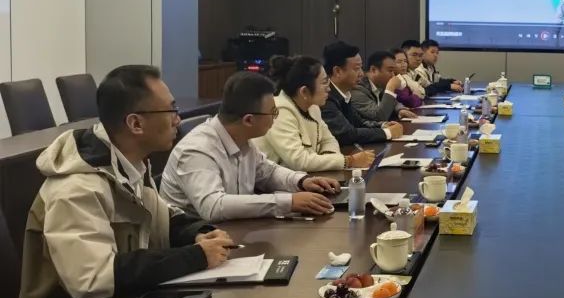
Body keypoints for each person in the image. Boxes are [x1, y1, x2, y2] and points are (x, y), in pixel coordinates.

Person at [10, 65, 233, 298]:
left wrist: (198, 233)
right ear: (135, 124)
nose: (178, 119)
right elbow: (93, 278)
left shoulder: (129, 165)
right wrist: (195, 257)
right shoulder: (76, 188)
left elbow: (161, 216)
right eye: (171, 110)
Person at [161, 71, 342, 221]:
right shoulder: (197, 149)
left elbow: (268, 172)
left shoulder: (242, 139)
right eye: (273, 112)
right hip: (196, 241)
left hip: (234, 231)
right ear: (249, 120)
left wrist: (302, 181)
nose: (275, 118)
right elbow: (215, 206)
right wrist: (289, 202)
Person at [252, 55, 375, 171]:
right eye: (324, 82)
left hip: (307, 177)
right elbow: (299, 160)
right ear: (304, 92)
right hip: (274, 183)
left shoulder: (313, 107)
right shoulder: (279, 111)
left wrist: (328, 160)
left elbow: (329, 140)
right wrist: (348, 161)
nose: (329, 88)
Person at [322, 41, 402, 148]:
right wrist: (387, 133)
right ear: (337, 71)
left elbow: (359, 122)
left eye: (361, 67)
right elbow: (346, 134)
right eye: (356, 69)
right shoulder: (325, 97)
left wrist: (383, 125)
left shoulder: (344, 93)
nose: (361, 74)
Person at [353, 50, 418, 123]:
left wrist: (400, 110)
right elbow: (379, 117)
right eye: (390, 71)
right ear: (373, 70)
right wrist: (391, 87)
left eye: (394, 71)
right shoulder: (357, 89)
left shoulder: (380, 85)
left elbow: (394, 102)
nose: (393, 75)